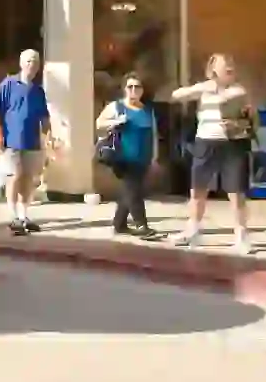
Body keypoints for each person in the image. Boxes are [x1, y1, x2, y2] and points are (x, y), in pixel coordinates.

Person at [169, 53, 256, 253]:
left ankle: (242, 235)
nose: (230, 69)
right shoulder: (204, 90)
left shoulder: (238, 90)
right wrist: (202, 87)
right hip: (205, 143)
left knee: (235, 192)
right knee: (198, 190)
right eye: (225, 66)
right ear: (213, 70)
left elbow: (240, 107)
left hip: (232, 144)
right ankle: (193, 230)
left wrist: (218, 93)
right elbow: (176, 95)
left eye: (231, 66)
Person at [0, 49, 52, 236]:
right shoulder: (8, 84)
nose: (32, 64)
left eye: (35, 61)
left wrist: (49, 136)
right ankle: (13, 216)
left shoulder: (38, 90)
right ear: (21, 63)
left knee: (28, 178)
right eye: (28, 61)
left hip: (32, 140)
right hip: (12, 140)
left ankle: (24, 215)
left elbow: (44, 116)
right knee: (14, 176)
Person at [95, 73, 162, 240]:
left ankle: (120, 224)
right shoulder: (116, 107)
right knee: (134, 191)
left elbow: (153, 134)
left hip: (143, 157)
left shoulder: (147, 110)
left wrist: (154, 157)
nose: (133, 90)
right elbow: (99, 124)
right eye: (130, 87)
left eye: (137, 87)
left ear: (142, 90)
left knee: (130, 190)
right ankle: (142, 225)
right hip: (123, 157)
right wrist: (115, 122)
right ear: (124, 89)